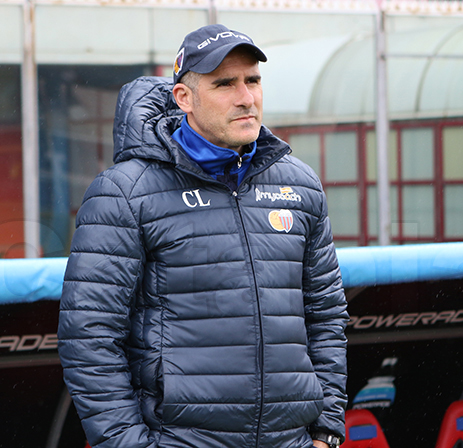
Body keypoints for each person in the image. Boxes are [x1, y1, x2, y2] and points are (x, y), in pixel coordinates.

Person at [58, 24, 348, 448]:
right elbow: (89, 336)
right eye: (224, 84)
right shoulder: (125, 192)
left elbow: (326, 316)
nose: (246, 97)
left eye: (253, 80)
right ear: (184, 98)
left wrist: (326, 430)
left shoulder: (299, 184)